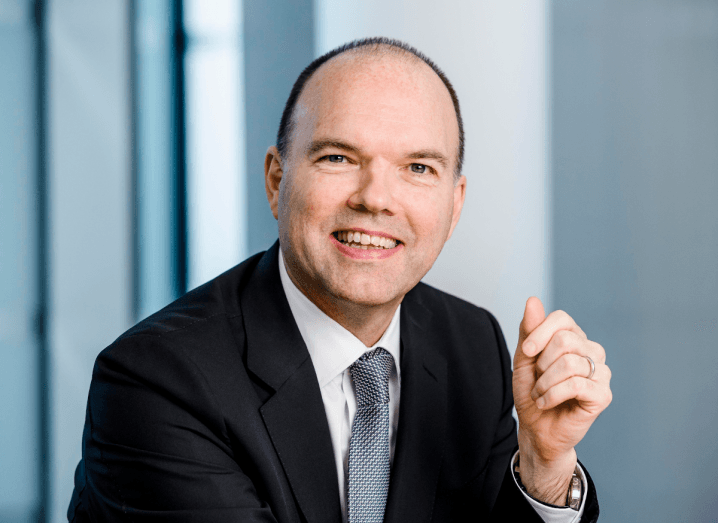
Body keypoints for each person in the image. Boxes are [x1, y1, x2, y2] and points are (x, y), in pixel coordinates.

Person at [68, 37, 612, 522]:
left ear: (455, 204)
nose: (375, 198)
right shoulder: (158, 382)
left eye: (418, 168)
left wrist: (545, 464)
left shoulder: (471, 343)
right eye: (338, 157)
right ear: (277, 181)